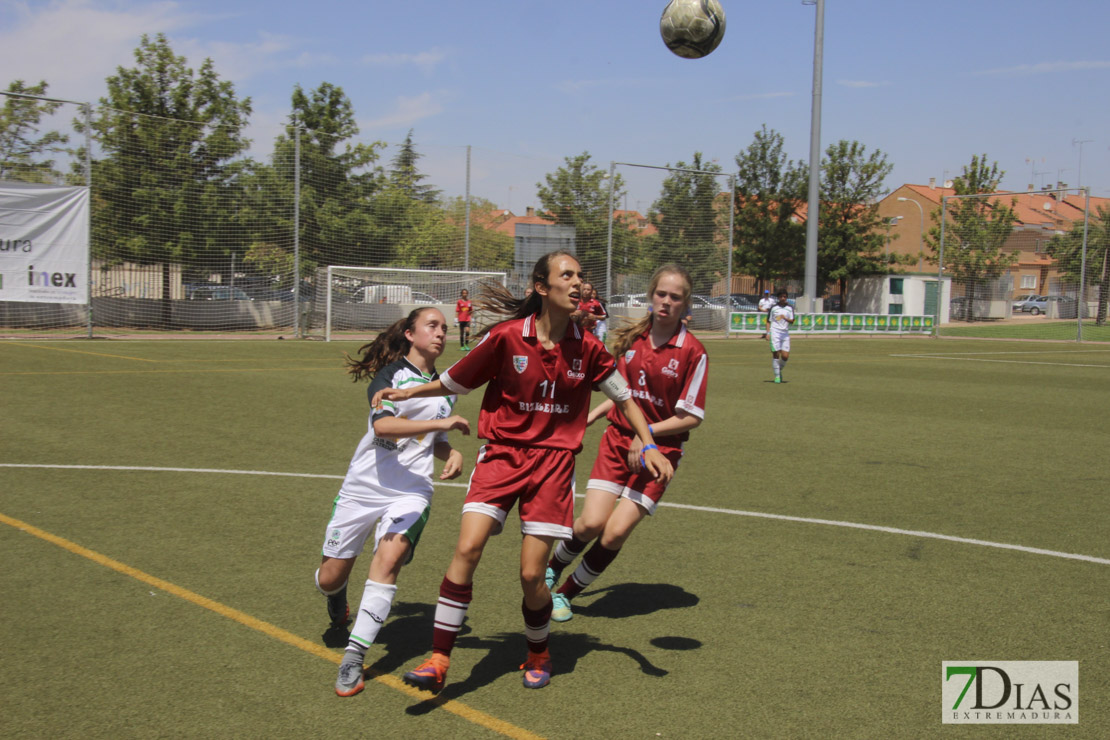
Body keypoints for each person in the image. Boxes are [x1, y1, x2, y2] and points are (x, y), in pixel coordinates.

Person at [371, 250, 673, 692]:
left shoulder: (588, 348)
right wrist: (407, 391)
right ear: (541, 287)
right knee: (468, 549)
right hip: (502, 457)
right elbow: (456, 380)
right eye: (566, 275)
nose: (576, 283)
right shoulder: (508, 337)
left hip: (553, 466)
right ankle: (438, 659)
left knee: (532, 575)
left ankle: (538, 650)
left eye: (579, 275)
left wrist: (648, 443)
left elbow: (626, 399)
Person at [314, 307, 470, 698]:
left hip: (412, 490)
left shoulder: (442, 388)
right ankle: (337, 599)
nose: (441, 334)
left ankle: (353, 657)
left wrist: (449, 451)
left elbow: (430, 437)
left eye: (445, 329)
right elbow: (383, 425)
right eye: (432, 326)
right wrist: (442, 426)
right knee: (329, 577)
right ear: (410, 333)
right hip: (363, 486)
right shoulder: (391, 376)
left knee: (388, 561)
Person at [545, 264, 708, 622]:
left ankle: (566, 593)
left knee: (615, 531)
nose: (666, 302)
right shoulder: (634, 339)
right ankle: (552, 567)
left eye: (675, 297)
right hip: (618, 441)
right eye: (661, 294)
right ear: (651, 296)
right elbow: (621, 394)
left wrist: (646, 436)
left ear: (685, 304)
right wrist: (590, 416)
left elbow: (692, 416)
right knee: (589, 524)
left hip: (660, 454)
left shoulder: (693, 352)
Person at [766, 289, 795, 383]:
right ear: (778, 298)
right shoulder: (774, 308)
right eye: (781, 297)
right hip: (775, 332)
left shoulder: (790, 308)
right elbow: (768, 321)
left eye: (785, 297)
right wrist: (768, 333)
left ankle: (779, 369)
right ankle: (777, 376)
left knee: (785, 356)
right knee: (775, 353)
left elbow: (792, 320)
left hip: (785, 333)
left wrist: (785, 318)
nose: (783, 298)